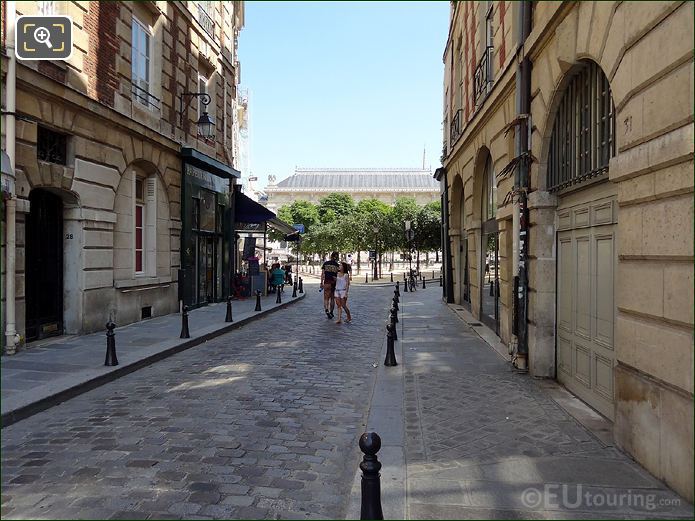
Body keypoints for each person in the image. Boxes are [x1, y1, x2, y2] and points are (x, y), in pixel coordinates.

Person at [321, 251, 340, 319]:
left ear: (331, 256)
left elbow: (323, 274)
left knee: (326, 298)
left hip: (327, 282)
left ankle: (327, 310)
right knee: (332, 298)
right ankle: (331, 312)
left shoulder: (325, 264)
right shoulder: (337, 265)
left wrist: (321, 283)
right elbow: (339, 276)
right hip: (334, 284)